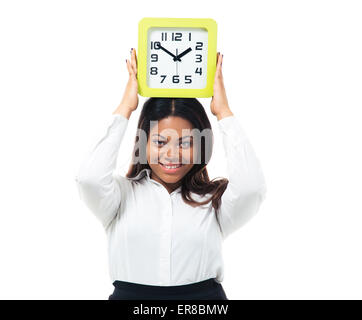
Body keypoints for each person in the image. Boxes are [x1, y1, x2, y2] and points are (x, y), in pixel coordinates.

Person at [75, 48, 267, 300]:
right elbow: (89, 178)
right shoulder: (119, 196)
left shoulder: (213, 201)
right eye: (160, 142)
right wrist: (126, 107)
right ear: (142, 143)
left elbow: (252, 188)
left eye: (186, 143)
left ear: (201, 146)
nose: (172, 154)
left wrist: (223, 113)